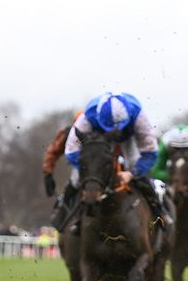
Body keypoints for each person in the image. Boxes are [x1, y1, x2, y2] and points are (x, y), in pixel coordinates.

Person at [62, 92, 164, 227]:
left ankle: (159, 213)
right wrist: (91, 170)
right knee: (76, 180)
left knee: (134, 166)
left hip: (128, 139)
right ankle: (64, 214)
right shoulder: (88, 116)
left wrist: (132, 173)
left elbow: (150, 152)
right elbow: (71, 151)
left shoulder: (139, 116)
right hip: (97, 140)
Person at [42, 111, 82, 231]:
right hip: (79, 169)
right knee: (74, 183)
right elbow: (52, 152)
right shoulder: (68, 133)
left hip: (99, 169)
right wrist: (48, 174)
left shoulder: (99, 132)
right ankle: (61, 216)